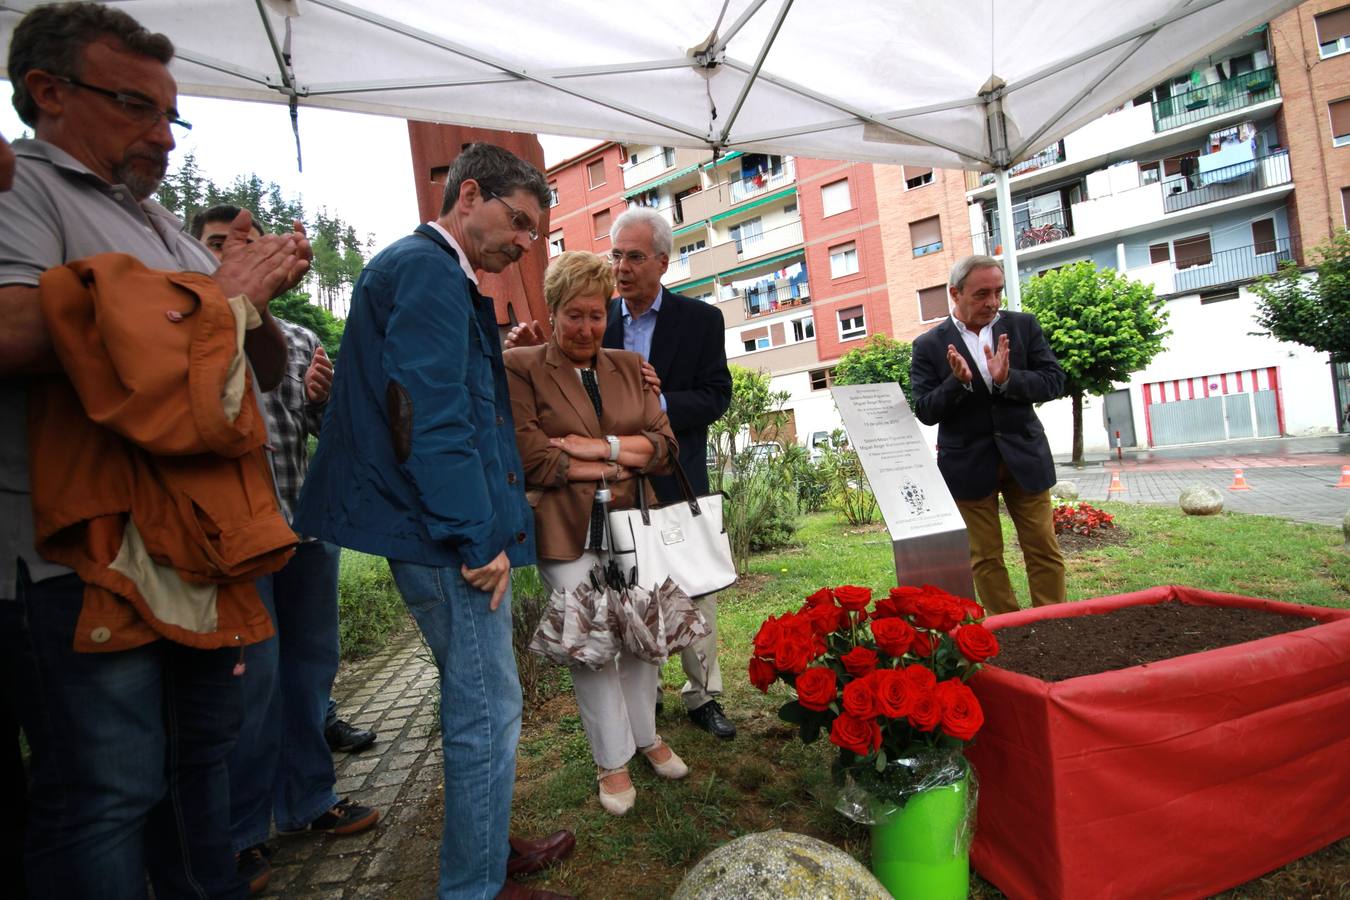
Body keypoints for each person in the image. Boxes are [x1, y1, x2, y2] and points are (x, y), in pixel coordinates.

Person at [0, 3, 311, 897]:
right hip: (81, 560)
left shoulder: (156, 221)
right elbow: (14, 329)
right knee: (107, 791)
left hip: (194, 547)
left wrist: (239, 302)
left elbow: (266, 360)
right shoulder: (24, 188)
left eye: (170, 116)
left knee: (197, 771)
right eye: (135, 107)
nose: (163, 138)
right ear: (47, 93)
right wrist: (218, 294)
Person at [293, 142, 573, 900]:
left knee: (483, 704)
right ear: (468, 194)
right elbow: (427, 419)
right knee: (488, 713)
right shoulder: (425, 270)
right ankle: (475, 886)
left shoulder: (435, 274)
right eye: (516, 223)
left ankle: (488, 853)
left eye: (533, 234)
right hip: (447, 538)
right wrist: (478, 536)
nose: (522, 245)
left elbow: (453, 404)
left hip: (440, 529)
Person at [191, 205, 379, 894]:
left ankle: (307, 801)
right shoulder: (189, 327)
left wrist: (319, 401)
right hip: (232, 541)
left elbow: (325, 433)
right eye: (217, 244)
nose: (232, 253)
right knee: (255, 685)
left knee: (310, 671)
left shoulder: (298, 337)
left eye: (245, 242)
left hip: (304, 527)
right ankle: (240, 836)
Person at [508, 207, 735, 740]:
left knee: (688, 588)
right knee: (628, 596)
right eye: (616, 255)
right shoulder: (597, 314)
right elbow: (561, 379)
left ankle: (703, 695)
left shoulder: (700, 320)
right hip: (602, 494)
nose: (622, 267)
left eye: (634, 256)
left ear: (662, 260)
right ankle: (644, 703)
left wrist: (653, 398)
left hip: (668, 476)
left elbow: (715, 395)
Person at [505, 251, 688, 816]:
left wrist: (595, 448)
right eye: (574, 315)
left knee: (642, 637)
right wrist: (617, 463)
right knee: (591, 646)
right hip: (566, 530)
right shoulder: (522, 366)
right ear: (553, 310)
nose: (586, 328)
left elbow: (665, 447)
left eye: (596, 315)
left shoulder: (631, 365)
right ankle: (612, 762)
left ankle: (646, 737)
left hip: (635, 523)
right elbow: (533, 456)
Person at [909, 254, 1068, 615]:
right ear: (955, 293)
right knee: (985, 557)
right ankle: (1009, 630)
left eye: (998, 292)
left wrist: (1008, 379)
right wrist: (957, 383)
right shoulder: (929, 346)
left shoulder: (1023, 327)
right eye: (982, 294)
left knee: (1043, 548)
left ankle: (1053, 622)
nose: (993, 302)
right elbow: (925, 410)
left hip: (1024, 458)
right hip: (967, 464)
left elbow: (1054, 381)